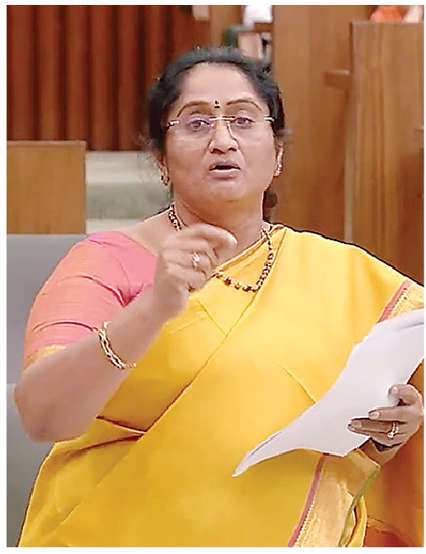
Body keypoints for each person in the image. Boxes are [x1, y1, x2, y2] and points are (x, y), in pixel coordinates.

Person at [15, 47, 423, 547]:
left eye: (244, 120)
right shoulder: (107, 262)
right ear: (161, 159)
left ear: (278, 154)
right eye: (197, 123)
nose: (223, 140)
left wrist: (388, 433)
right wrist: (154, 308)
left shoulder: (340, 275)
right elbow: (43, 415)